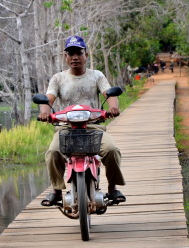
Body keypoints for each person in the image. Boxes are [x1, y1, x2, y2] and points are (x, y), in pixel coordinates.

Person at [38, 35, 126, 206]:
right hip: (66, 128)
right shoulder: (58, 78)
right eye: (70, 54)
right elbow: (48, 99)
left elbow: (109, 93)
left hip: (93, 127)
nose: (75, 57)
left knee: (112, 150)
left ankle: (113, 188)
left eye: (78, 53)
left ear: (86, 55)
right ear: (65, 57)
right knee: (53, 153)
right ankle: (56, 190)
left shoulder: (96, 76)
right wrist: (45, 112)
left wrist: (113, 107)